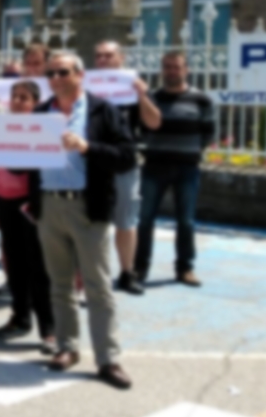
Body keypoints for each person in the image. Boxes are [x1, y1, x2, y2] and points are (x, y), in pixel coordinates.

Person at [27, 51, 135, 390]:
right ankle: (67, 347)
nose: (55, 79)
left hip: (88, 207)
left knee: (98, 286)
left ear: (80, 74)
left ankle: (108, 359)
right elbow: (23, 161)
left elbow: (127, 157)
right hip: (50, 206)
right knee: (59, 283)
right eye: (50, 74)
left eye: (62, 72)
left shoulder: (104, 110)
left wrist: (87, 147)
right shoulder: (40, 113)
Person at [134, 51, 215, 288]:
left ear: (186, 69)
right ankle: (139, 269)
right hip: (154, 167)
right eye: (167, 67)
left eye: (176, 67)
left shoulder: (201, 99)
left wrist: (192, 151)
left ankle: (185, 268)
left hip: (186, 169)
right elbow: (141, 129)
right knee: (145, 219)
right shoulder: (151, 98)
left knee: (186, 221)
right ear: (162, 70)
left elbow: (208, 131)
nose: (172, 71)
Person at [0, 80, 54, 349]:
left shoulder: (43, 129)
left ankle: (49, 327)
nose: (17, 102)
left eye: (24, 98)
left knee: (37, 266)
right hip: (4, 202)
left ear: (36, 103)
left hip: (30, 203)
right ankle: (20, 317)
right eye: (14, 96)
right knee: (13, 263)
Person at [93, 41, 162, 295]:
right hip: (92, 162)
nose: (102, 60)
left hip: (123, 163)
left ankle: (127, 272)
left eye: (108, 55)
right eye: (98, 56)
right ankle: (93, 276)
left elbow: (154, 123)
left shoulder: (133, 85)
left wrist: (142, 95)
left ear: (121, 58)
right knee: (91, 222)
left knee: (126, 221)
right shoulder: (85, 85)